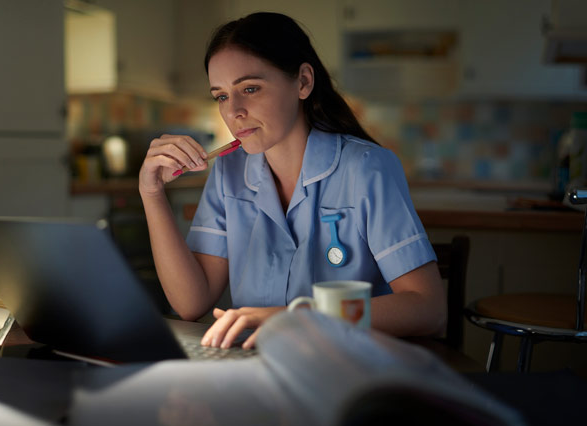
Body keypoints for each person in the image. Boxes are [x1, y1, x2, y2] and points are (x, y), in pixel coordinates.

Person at [138, 12, 446, 350]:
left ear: (303, 82)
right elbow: (190, 304)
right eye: (222, 96)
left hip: (348, 372)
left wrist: (297, 317)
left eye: (250, 88)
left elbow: (427, 308)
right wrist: (151, 193)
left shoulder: (366, 168)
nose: (233, 112)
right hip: (258, 371)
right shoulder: (227, 172)